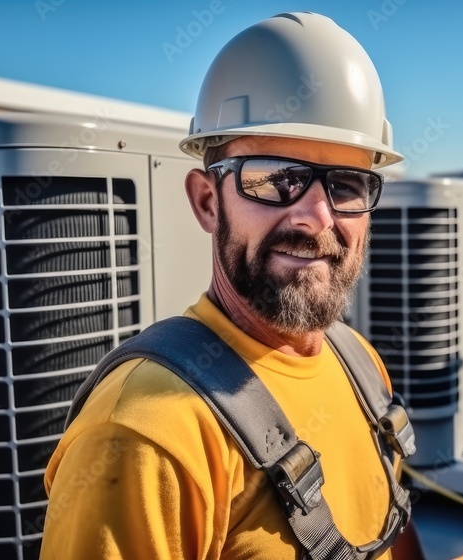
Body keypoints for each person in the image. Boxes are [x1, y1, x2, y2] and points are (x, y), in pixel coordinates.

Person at [41, 12, 419, 559]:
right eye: (275, 179)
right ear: (207, 201)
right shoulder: (143, 433)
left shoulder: (360, 364)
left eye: (346, 183)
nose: (316, 217)